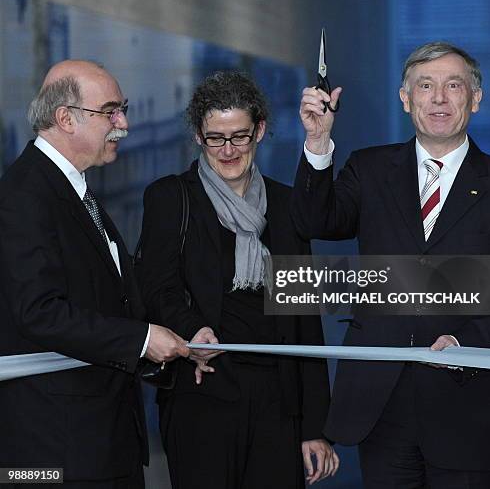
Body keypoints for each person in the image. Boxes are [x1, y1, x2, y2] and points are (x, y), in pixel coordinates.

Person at [291, 42, 490, 488]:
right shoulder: (369, 168)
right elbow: (316, 221)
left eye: (454, 86)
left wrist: (462, 341)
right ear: (405, 98)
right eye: (425, 86)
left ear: (475, 98)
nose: (438, 98)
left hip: (472, 410)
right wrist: (318, 142)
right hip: (382, 402)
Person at [138, 70, 339, 488]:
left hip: (277, 402)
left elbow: (303, 319)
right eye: (216, 137)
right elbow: (157, 285)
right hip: (201, 394)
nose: (228, 150)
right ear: (198, 135)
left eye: (240, 136)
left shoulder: (286, 206)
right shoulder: (171, 197)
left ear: (260, 130)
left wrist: (315, 427)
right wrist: (193, 332)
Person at [0, 60, 189, 488]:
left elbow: (111, 298)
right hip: (55, 454)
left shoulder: (72, 189)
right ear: (65, 118)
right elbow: (40, 312)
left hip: (99, 443)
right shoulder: (25, 196)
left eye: (122, 109)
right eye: (110, 112)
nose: (123, 124)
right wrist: (141, 340)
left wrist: (175, 335)